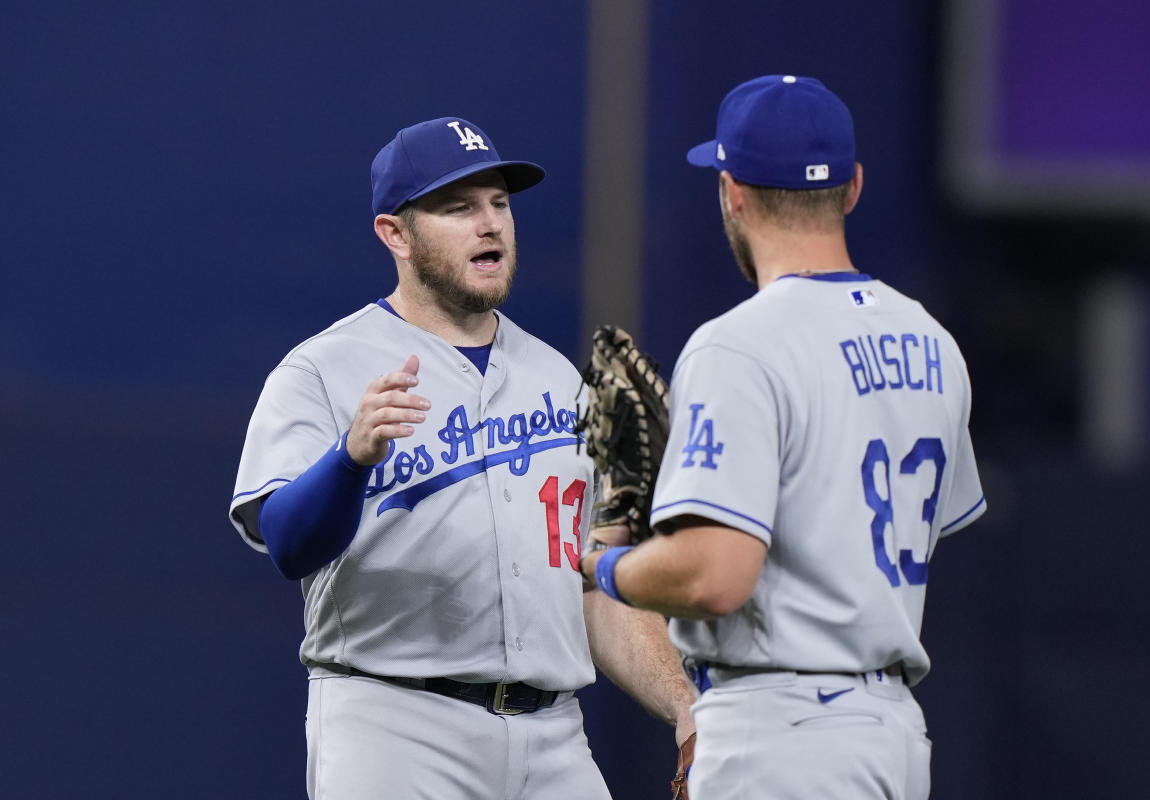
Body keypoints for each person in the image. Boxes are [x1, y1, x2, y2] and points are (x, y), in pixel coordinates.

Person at [229, 116, 697, 800]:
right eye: (458, 208)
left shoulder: (557, 379)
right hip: (395, 726)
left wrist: (685, 706)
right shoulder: (322, 371)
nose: (491, 225)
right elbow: (287, 545)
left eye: (500, 204)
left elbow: (589, 586)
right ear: (396, 234)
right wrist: (349, 460)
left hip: (554, 735)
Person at [581, 75, 987, 799]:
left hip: (782, 731)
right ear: (853, 187)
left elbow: (714, 576)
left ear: (731, 191)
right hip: (892, 733)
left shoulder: (738, 347)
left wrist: (613, 567)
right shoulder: (932, 342)